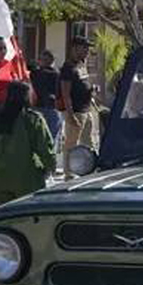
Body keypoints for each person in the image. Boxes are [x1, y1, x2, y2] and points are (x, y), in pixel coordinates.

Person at [0, 81, 55, 206]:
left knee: (3, 220)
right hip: (28, 179)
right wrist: (49, 168)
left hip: (0, 179)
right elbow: (45, 149)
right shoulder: (33, 119)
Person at [60, 36, 97, 180]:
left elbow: (84, 83)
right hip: (75, 111)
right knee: (71, 144)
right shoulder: (68, 68)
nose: (87, 51)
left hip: (87, 109)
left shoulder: (82, 65)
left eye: (88, 47)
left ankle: (90, 170)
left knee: (89, 143)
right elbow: (65, 93)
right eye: (84, 47)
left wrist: (92, 89)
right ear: (74, 48)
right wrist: (70, 114)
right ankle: (68, 173)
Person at [31, 50, 62, 143]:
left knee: (36, 138)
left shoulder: (35, 74)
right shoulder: (57, 74)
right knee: (51, 139)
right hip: (52, 108)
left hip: (37, 108)